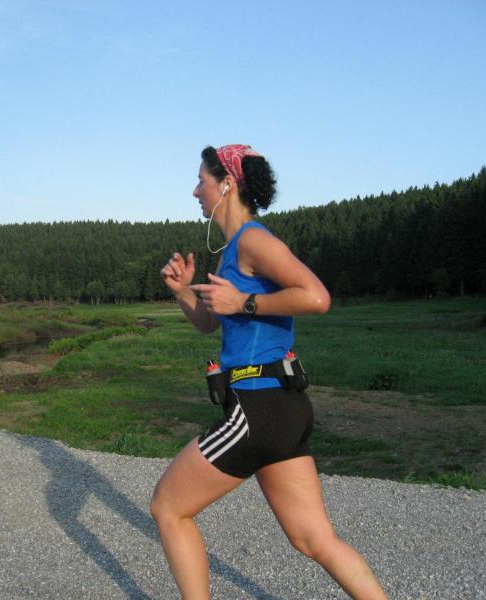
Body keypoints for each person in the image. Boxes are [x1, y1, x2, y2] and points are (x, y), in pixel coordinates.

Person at [151, 145, 388, 600]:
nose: (195, 190)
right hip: (282, 407)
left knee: (168, 507)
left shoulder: (254, 242)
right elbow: (210, 322)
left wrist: (243, 301)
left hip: (258, 408)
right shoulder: (231, 252)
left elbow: (317, 297)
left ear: (227, 184)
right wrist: (183, 291)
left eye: (201, 180)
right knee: (314, 539)